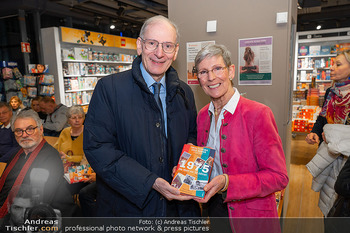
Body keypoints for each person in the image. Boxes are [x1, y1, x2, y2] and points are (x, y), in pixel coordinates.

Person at [83, 15, 199, 217]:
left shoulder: (184, 93)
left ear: (176, 51)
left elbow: (192, 136)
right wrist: (150, 181)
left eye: (167, 46)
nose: (159, 53)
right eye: (152, 43)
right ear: (139, 45)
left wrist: (184, 168)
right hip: (128, 208)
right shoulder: (109, 89)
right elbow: (98, 148)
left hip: (177, 210)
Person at [194, 44, 288, 232]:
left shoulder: (258, 114)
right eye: (203, 72)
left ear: (231, 71)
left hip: (251, 217)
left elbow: (278, 177)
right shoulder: (203, 115)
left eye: (217, 69)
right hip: (214, 210)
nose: (211, 78)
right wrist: (187, 172)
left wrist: (228, 182)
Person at [0, 109, 76, 218]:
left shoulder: (51, 158)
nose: (24, 135)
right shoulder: (16, 154)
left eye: (30, 129)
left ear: (41, 129)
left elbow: (38, 202)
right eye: (19, 131)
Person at [54, 105, 97, 217]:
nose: (77, 120)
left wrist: (69, 159)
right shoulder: (65, 132)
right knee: (54, 184)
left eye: (80, 117)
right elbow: (56, 149)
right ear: (68, 120)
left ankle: (74, 216)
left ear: (84, 118)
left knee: (63, 186)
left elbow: (87, 158)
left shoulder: (89, 133)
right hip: (65, 168)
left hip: (84, 169)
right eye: (73, 117)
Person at [305, 49, 350, 145]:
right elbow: (322, 118)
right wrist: (314, 132)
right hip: (327, 148)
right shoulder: (331, 92)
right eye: (332, 64)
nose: (331, 68)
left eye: (338, 65)